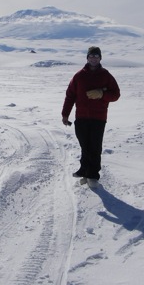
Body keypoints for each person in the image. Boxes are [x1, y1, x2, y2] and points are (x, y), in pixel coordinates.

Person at [61, 46, 120, 184]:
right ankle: (84, 171)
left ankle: (93, 175)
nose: (94, 58)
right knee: (85, 145)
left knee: (95, 146)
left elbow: (116, 94)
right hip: (81, 117)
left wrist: (102, 94)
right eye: (91, 56)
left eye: (96, 56)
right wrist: (65, 114)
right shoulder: (79, 76)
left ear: (100, 58)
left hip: (98, 117)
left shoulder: (106, 75)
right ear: (87, 58)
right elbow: (70, 96)